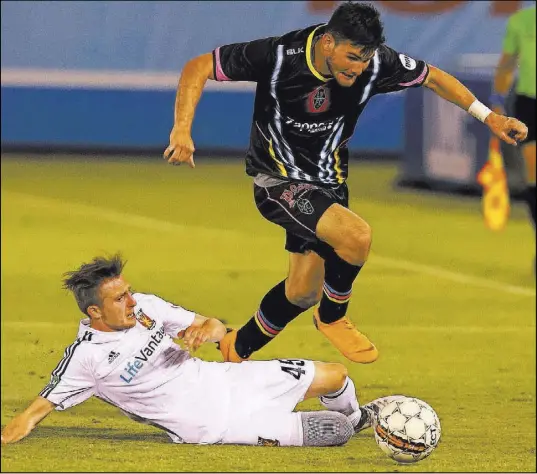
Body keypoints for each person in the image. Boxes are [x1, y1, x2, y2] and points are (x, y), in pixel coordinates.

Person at [163, 2, 528, 364]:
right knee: (356, 236)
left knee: (301, 292)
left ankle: (233, 350)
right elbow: (199, 66)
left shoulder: (378, 64)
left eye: (366, 58)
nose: (360, 67)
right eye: (352, 57)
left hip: (330, 185)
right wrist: (182, 129)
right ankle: (333, 317)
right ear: (327, 43)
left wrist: (489, 117)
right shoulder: (278, 56)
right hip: (278, 181)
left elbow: (433, 76)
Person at [0, 255, 397, 447]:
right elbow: (40, 406)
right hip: (210, 425)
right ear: (94, 311)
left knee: (337, 375)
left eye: (128, 291)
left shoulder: (148, 306)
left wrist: (207, 329)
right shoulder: (86, 357)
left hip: (227, 380)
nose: (131, 301)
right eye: (119, 299)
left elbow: (212, 325)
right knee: (334, 432)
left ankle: (361, 417)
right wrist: (16, 429)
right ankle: (347, 425)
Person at [490, 5, 536, 267]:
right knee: (533, 175)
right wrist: (497, 102)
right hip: (530, 104)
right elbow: (507, 64)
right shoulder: (521, 22)